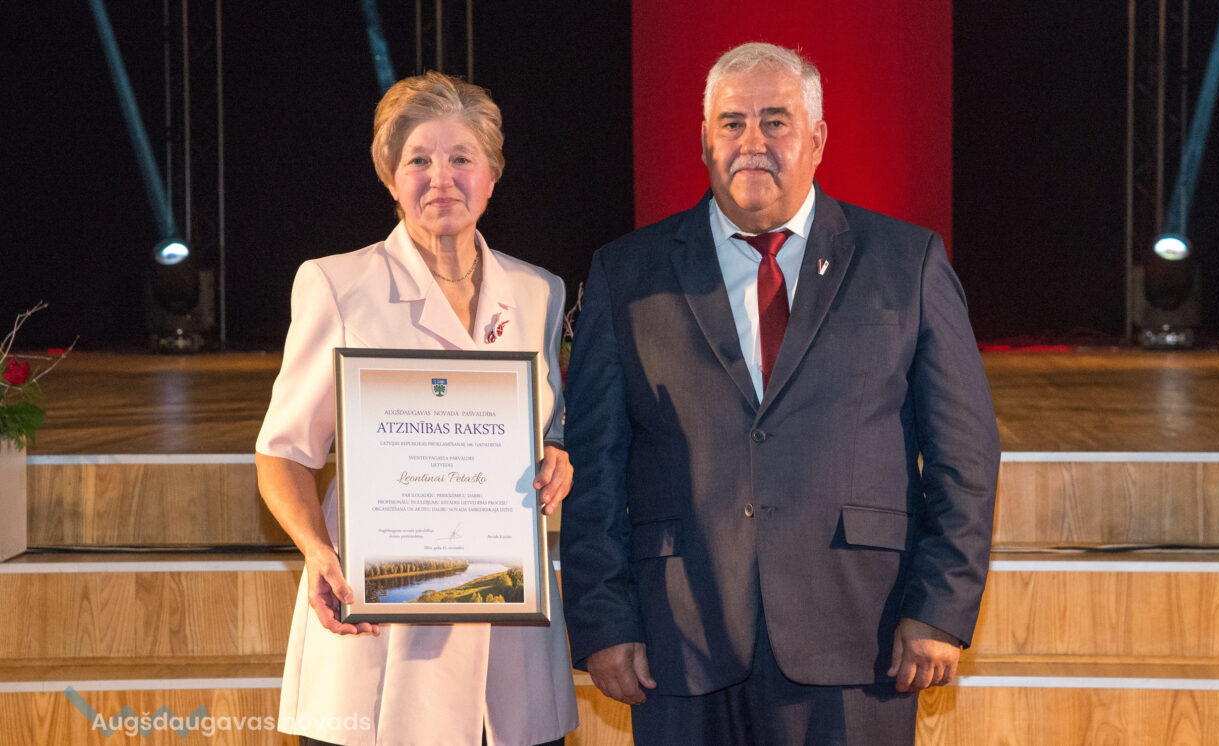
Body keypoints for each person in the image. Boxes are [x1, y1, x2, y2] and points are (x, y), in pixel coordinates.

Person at [559, 42, 1000, 745]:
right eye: (732, 123)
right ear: (705, 141)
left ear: (817, 140)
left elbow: (965, 454)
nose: (752, 143)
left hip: (863, 634)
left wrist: (941, 606)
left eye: (775, 121)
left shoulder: (906, 261)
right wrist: (605, 619)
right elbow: (594, 465)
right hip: (680, 638)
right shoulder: (627, 273)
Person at [255, 71, 578, 746]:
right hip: (380, 629)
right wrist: (317, 552)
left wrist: (557, 455)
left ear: (492, 174)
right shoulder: (337, 284)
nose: (441, 179)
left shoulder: (539, 293)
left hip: (509, 637)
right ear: (389, 177)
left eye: (461, 158)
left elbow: (550, 426)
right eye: (418, 161)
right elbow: (283, 452)